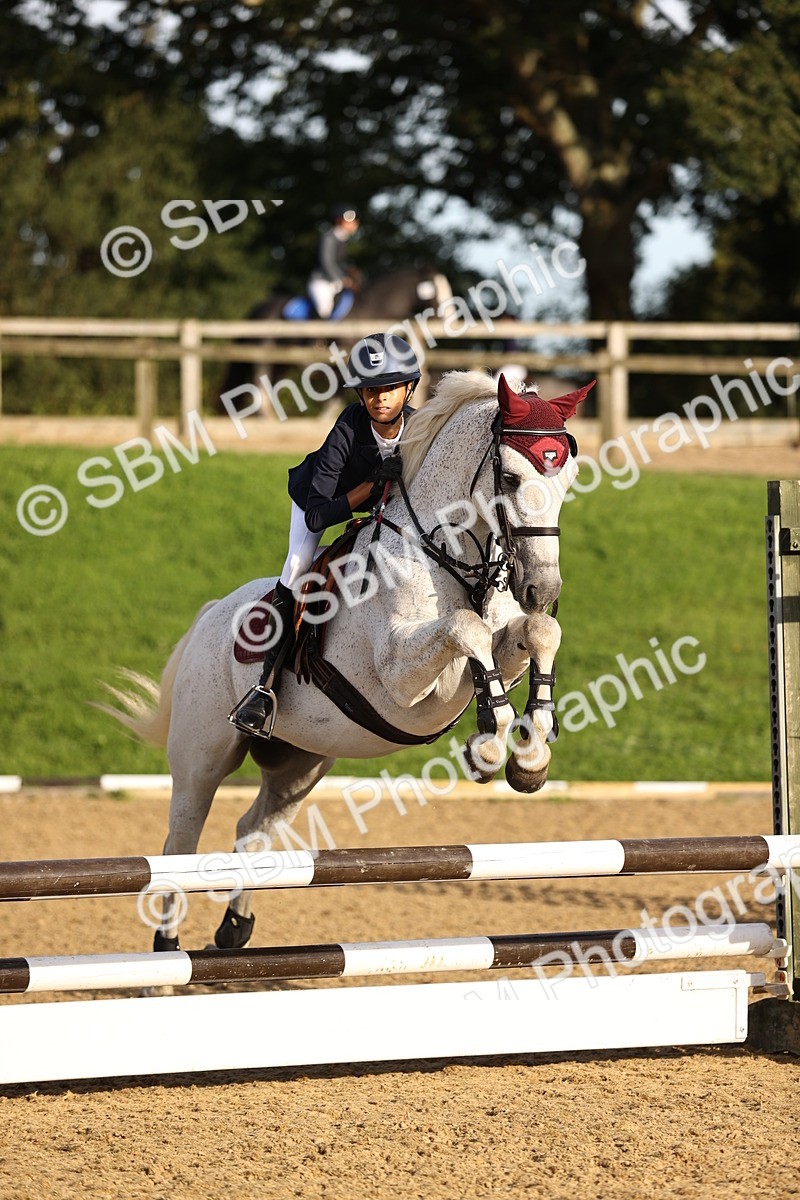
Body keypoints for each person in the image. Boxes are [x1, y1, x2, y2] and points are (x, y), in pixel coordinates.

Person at [229, 332, 422, 737]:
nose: (379, 398)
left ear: (409, 388)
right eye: (369, 390)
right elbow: (318, 515)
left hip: (377, 510)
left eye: (389, 388)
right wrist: (370, 486)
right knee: (296, 574)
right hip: (318, 501)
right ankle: (263, 689)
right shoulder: (349, 428)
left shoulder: (420, 428)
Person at [308, 203, 361, 319]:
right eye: (350, 220)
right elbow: (327, 262)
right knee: (324, 309)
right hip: (322, 282)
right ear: (339, 221)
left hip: (337, 283)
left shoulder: (343, 240)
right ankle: (317, 336)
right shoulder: (329, 238)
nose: (354, 223)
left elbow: (342, 263)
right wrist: (343, 278)